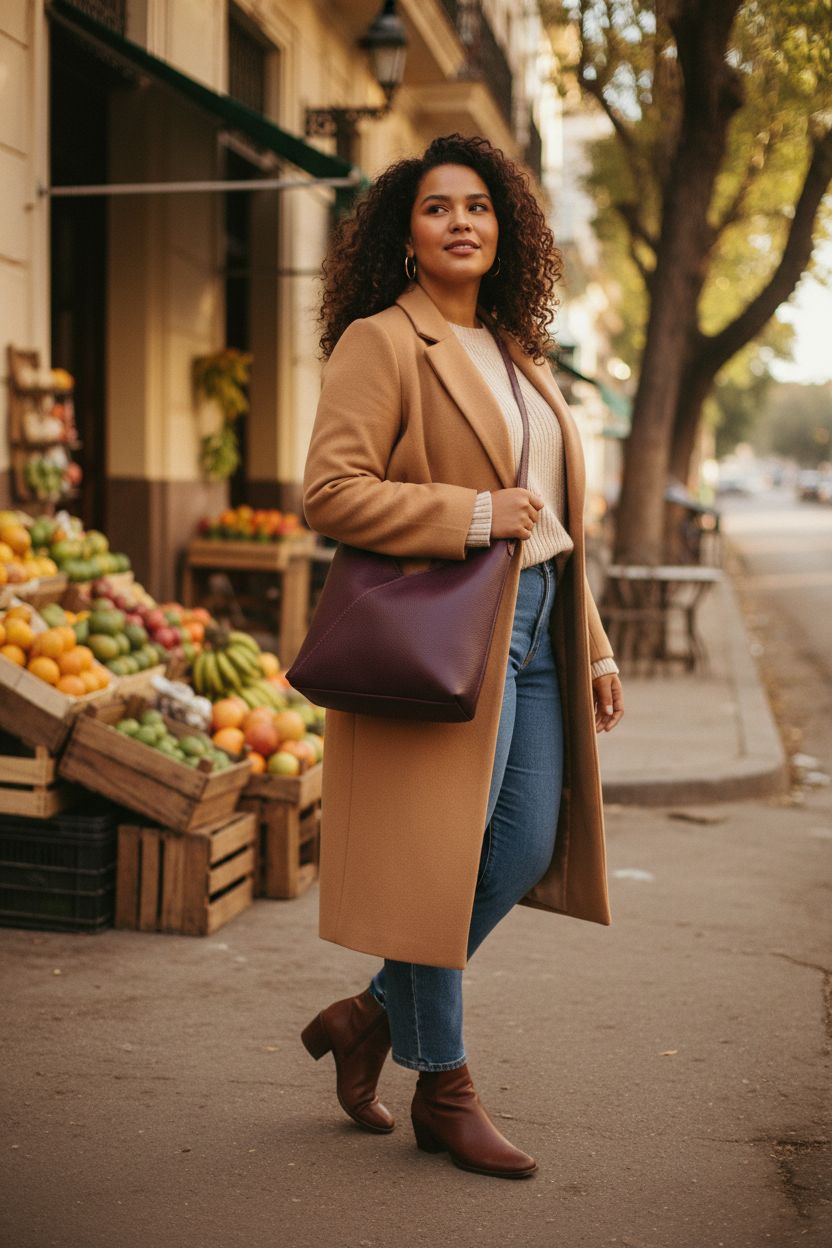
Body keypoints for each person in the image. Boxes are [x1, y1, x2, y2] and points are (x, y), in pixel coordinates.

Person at [299, 134, 624, 1180]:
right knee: (436, 864)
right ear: (406, 233)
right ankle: (445, 1084)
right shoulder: (381, 343)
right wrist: (473, 512)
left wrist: (596, 649)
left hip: (538, 630)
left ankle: (370, 1016)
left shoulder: (519, 354)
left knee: (522, 847)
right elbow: (331, 493)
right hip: (444, 632)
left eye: (478, 206)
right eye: (437, 208)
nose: (461, 222)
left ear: (505, 228)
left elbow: (558, 521)